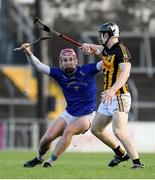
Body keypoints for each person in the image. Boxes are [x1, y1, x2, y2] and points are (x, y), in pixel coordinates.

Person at [21, 44, 102, 168]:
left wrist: (95, 50)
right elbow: (38, 66)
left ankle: (50, 162)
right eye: (65, 60)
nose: (68, 62)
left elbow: (108, 61)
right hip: (69, 114)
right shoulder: (59, 74)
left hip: (87, 116)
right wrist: (29, 53)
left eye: (70, 60)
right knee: (46, 139)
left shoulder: (88, 70)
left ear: (76, 61)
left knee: (69, 131)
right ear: (60, 62)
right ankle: (39, 158)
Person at [81, 22, 144, 168]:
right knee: (96, 129)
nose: (100, 37)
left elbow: (126, 73)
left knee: (118, 130)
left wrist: (112, 90)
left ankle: (137, 163)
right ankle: (121, 154)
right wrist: (87, 47)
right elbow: (98, 49)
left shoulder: (121, 51)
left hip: (119, 96)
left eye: (102, 34)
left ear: (109, 34)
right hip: (108, 97)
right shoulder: (107, 50)